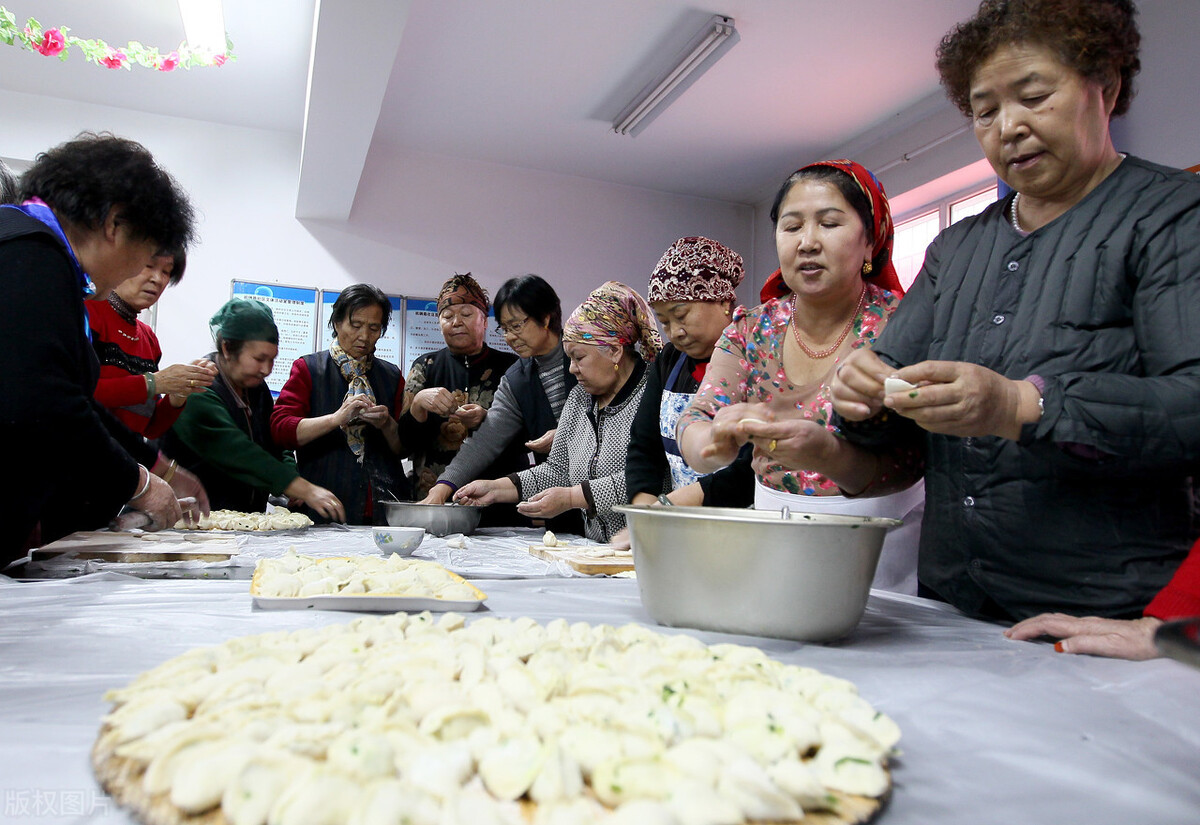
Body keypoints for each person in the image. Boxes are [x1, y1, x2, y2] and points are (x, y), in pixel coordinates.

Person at [830, 0, 1200, 658]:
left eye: (1034, 96)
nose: (1009, 128)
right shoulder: (955, 250)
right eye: (985, 110)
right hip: (954, 607)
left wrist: (1023, 404)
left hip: (1100, 614)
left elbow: (1192, 402)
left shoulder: (1171, 215)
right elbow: (889, 406)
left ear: (1106, 88)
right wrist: (861, 395)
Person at [677, 160, 924, 594]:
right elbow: (698, 415)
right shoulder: (751, 328)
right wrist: (708, 444)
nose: (807, 242)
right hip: (775, 536)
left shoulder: (906, 324)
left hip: (882, 548)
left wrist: (829, 456)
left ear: (870, 244)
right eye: (791, 228)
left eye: (829, 223)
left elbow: (918, 456)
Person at [0, 133, 204, 562]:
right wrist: (138, 484)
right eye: (146, 257)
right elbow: (42, 402)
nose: (142, 273)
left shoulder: (37, 254)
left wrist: (158, 466)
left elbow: (76, 400)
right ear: (114, 224)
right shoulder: (31, 254)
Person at [455, 281, 662, 542]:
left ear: (614, 351)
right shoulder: (579, 399)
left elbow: (654, 476)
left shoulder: (652, 395)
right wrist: (496, 488)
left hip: (651, 546)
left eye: (579, 358)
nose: (572, 369)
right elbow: (558, 470)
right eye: (569, 358)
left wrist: (574, 497)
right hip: (598, 548)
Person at [420, 274, 582, 532]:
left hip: (605, 496)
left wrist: (565, 435)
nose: (509, 337)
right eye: (504, 329)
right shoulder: (517, 378)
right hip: (558, 507)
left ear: (546, 317)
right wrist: (443, 487)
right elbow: (485, 441)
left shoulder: (586, 355)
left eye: (516, 326)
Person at [163, 299, 345, 520]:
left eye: (272, 360)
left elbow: (275, 442)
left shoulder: (256, 390)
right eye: (259, 359)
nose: (266, 369)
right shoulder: (198, 390)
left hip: (242, 519)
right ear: (227, 348)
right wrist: (303, 488)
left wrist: (289, 477)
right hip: (190, 519)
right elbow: (238, 452)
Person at [625, 236, 755, 512]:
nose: (675, 332)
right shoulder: (669, 361)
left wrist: (669, 505)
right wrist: (644, 507)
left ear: (723, 301)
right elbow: (643, 445)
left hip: (745, 521)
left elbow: (753, 467)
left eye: (681, 315)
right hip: (683, 523)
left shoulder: (757, 356)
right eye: (664, 322)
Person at [270, 284, 409, 524]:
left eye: (374, 328)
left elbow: (403, 448)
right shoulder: (309, 369)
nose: (364, 336)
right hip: (323, 505)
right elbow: (281, 430)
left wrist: (386, 423)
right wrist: (335, 419)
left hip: (382, 507)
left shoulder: (391, 376)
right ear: (336, 323)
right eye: (355, 325)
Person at [397, 273, 523, 505]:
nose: (456, 322)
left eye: (466, 314)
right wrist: (418, 405)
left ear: (485, 321)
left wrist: (488, 419)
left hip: (497, 498)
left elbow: (528, 435)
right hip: (434, 497)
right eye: (447, 316)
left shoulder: (512, 367)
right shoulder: (425, 367)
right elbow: (403, 444)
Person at [87, 247, 218, 437]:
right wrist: (153, 383)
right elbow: (77, 394)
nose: (158, 279)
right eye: (148, 266)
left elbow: (151, 428)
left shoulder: (148, 339)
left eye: (166, 272)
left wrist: (179, 391)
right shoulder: (89, 314)